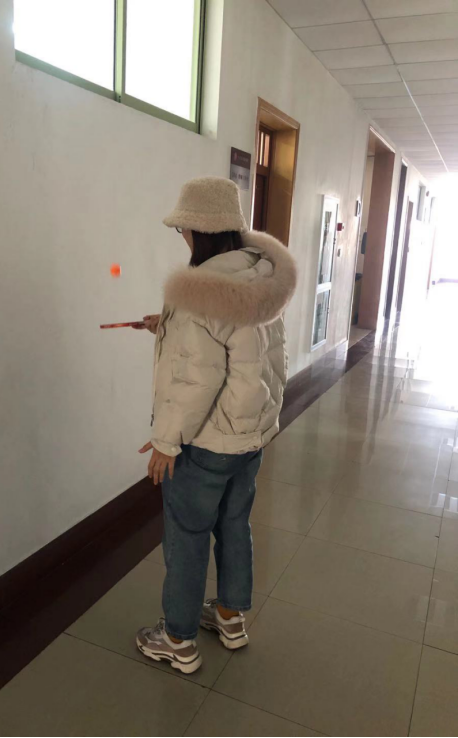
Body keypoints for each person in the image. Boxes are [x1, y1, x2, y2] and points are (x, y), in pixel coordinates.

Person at [135, 176, 297, 674]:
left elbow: (196, 379)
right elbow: (242, 346)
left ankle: (178, 639)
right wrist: (167, 325)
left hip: (206, 443)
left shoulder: (199, 291)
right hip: (249, 437)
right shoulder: (259, 275)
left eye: (183, 229)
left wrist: (166, 441)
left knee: (186, 536)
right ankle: (230, 618)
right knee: (233, 524)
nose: (182, 237)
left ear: (199, 231)